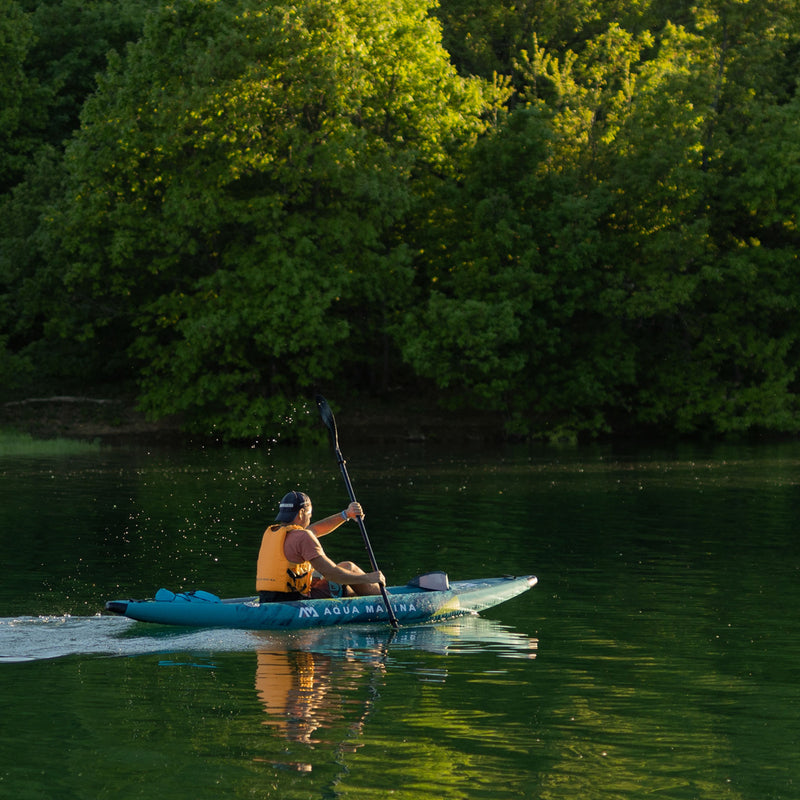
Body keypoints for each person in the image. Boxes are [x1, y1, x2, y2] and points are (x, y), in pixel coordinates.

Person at [257, 490, 385, 603]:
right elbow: (332, 574)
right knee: (348, 567)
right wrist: (369, 578)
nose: (310, 518)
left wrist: (346, 514)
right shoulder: (303, 536)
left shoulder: (273, 533)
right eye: (309, 514)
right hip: (296, 602)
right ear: (301, 513)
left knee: (321, 578)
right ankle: (394, 602)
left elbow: (315, 530)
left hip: (268, 598)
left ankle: (362, 599)